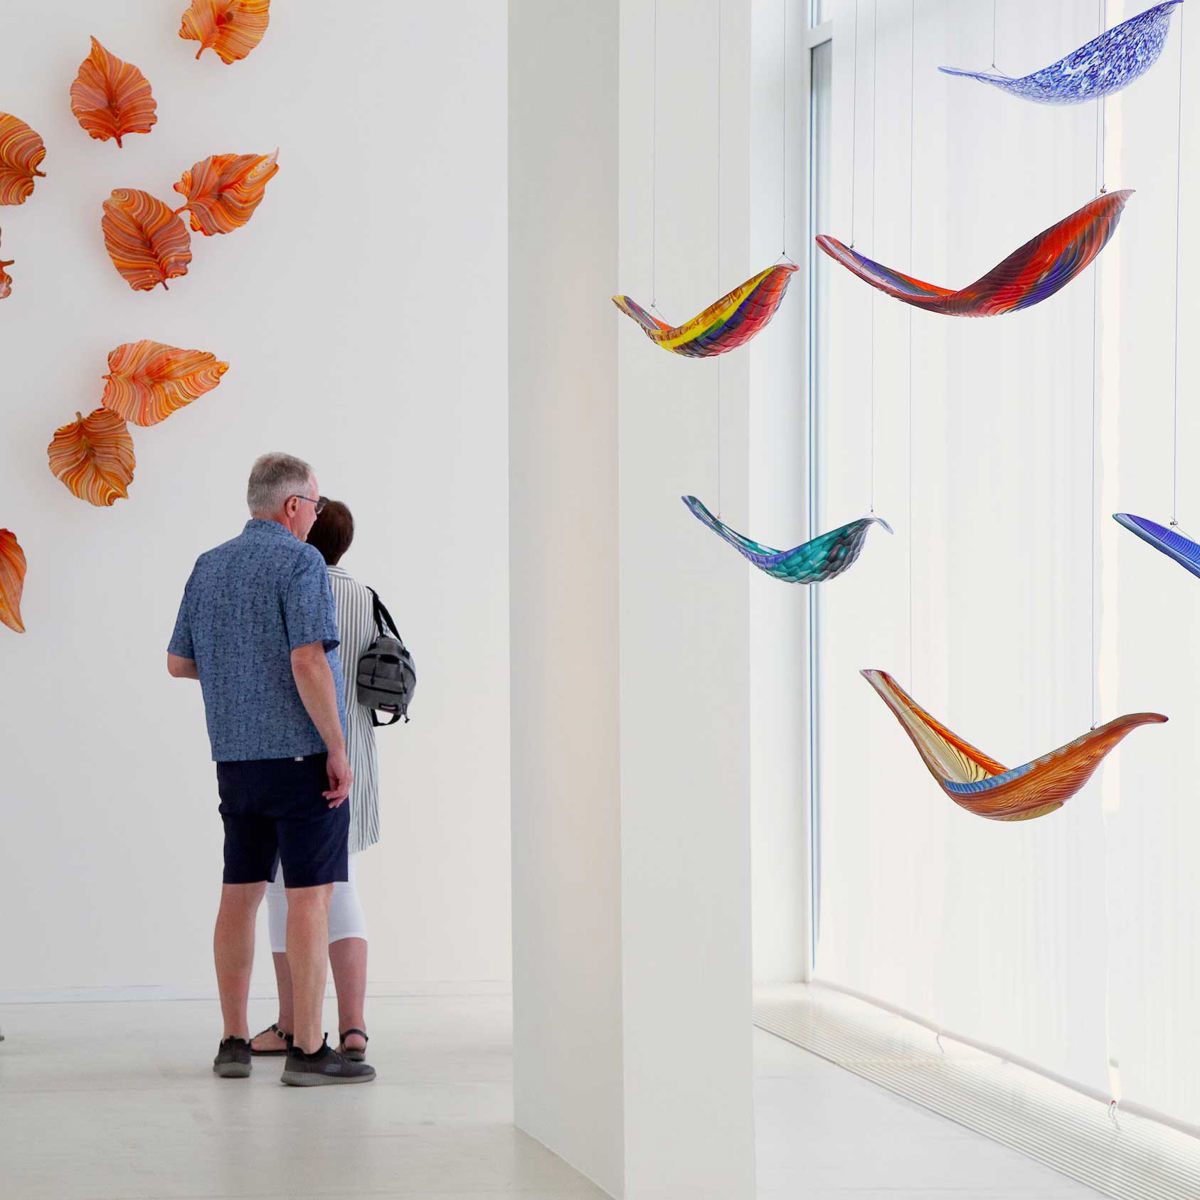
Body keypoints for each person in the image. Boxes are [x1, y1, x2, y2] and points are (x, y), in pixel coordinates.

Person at [166, 452, 376, 1086]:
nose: (315, 515)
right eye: (313, 504)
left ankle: (233, 1040)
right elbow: (309, 659)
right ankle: (309, 1050)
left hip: (235, 758)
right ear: (291, 506)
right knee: (310, 901)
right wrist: (337, 747)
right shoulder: (300, 560)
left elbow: (179, 662)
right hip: (298, 756)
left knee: (241, 893)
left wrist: (241, 677)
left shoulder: (210, 564)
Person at [249, 500, 381, 1064]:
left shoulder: (298, 588)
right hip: (357, 758)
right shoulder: (366, 596)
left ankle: (291, 1025)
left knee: (290, 893)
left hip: (307, 759)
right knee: (340, 889)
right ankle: (353, 1028)